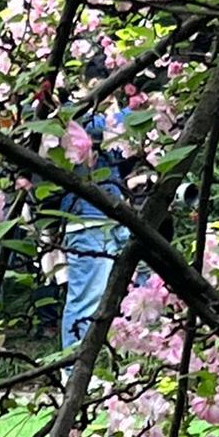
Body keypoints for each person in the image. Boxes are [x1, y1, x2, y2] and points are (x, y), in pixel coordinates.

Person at [60, 77, 136, 351]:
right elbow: (100, 130)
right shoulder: (73, 116)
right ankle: (72, 366)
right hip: (86, 220)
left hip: (114, 217)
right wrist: (128, 112)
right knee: (86, 298)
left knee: (133, 287)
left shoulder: (108, 119)